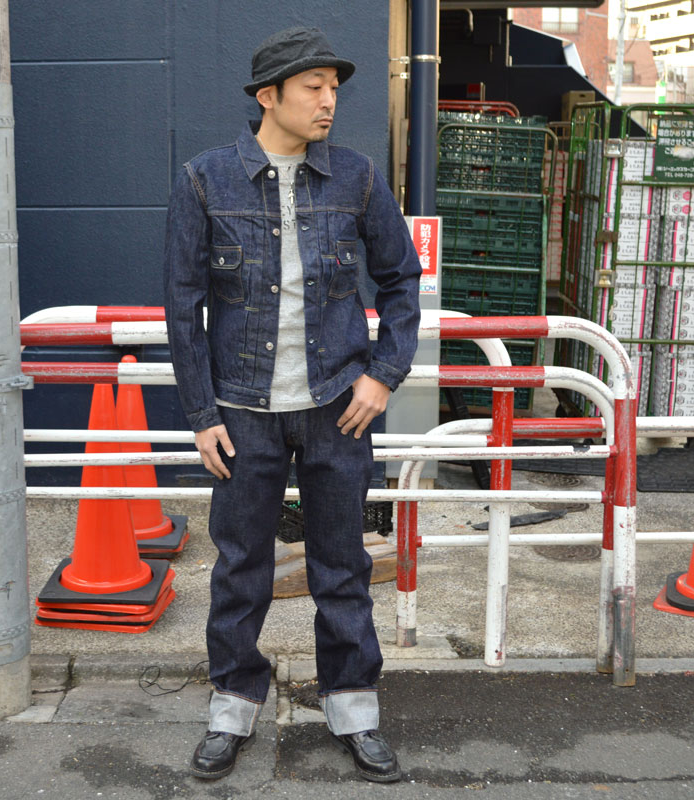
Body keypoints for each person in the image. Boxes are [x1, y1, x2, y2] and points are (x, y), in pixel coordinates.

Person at [163, 26, 421, 783]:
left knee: (341, 564)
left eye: (334, 87)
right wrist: (202, 415)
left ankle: (354, 708)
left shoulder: (357, 179)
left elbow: (401, 279)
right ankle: (232, 706)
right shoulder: (205, 181)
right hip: (242, 410)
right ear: (268, 96)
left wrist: (383, 374)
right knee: (241, 566)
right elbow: (182, 308)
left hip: (338, 405)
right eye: (314, 87)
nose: (329, 100)